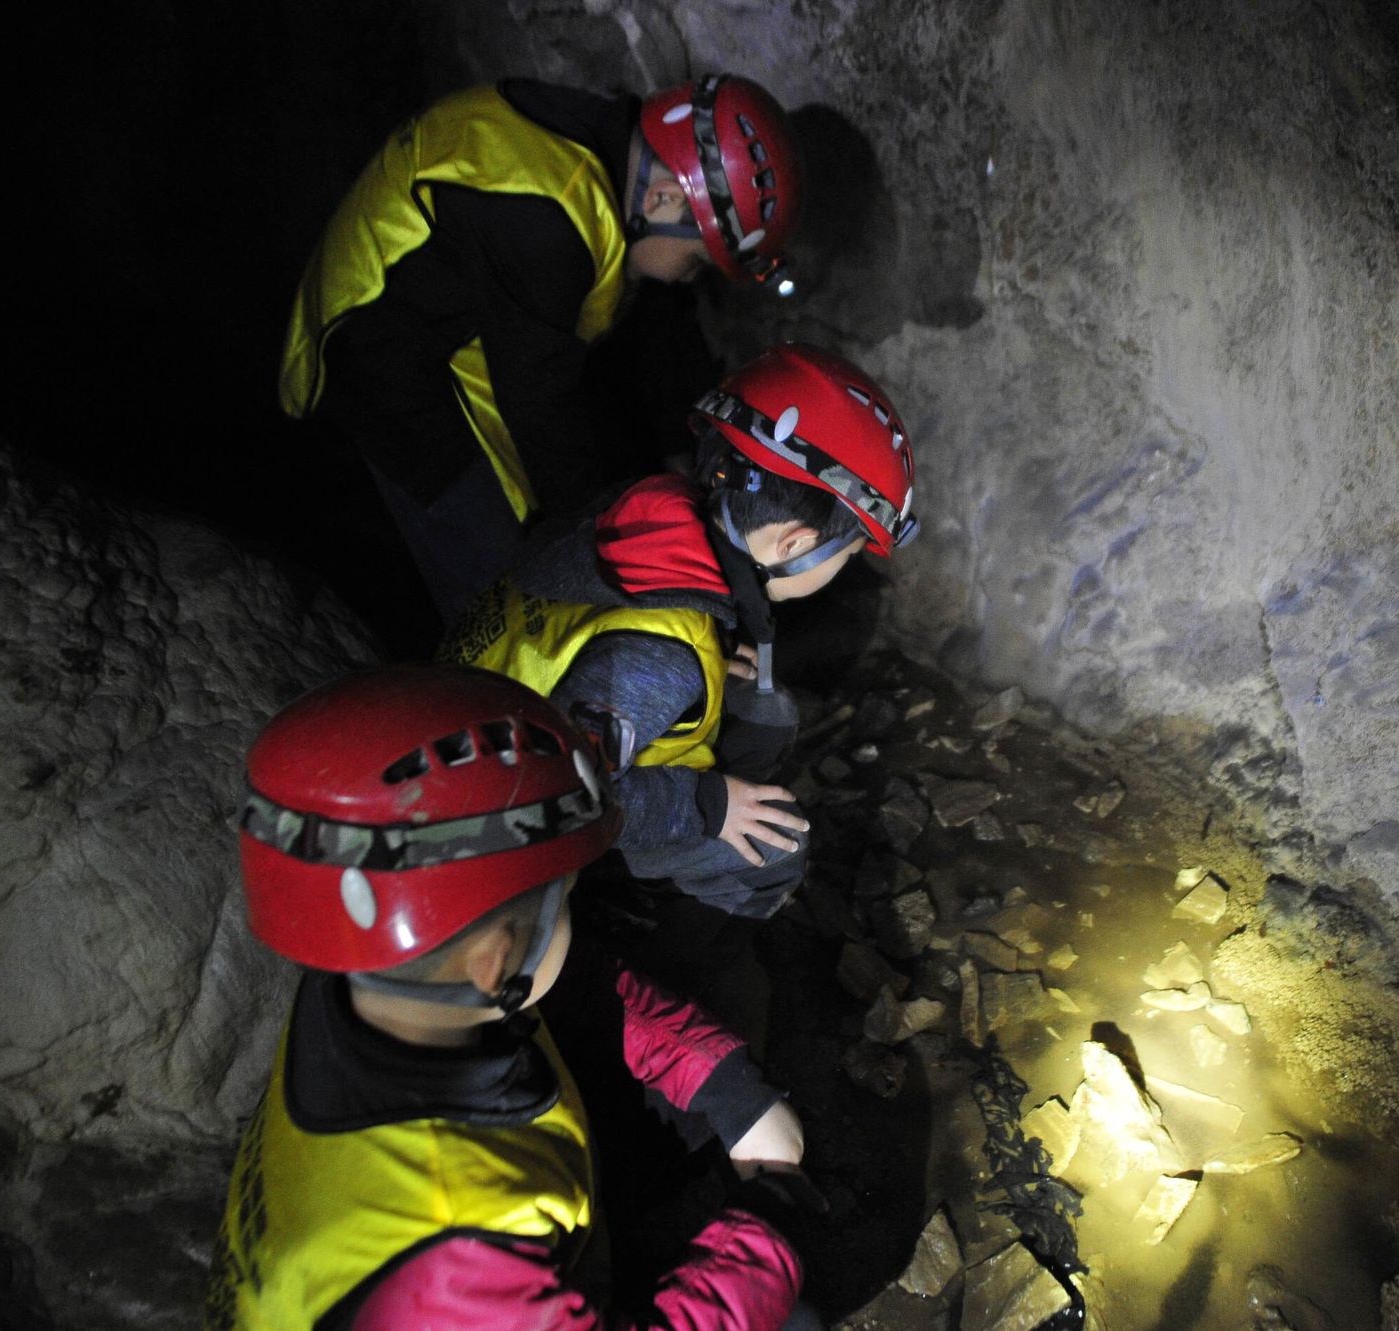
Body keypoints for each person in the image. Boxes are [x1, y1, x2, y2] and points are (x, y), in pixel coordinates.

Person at [205, 664, 821, 1330]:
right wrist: (769, 1229)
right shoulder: (451, 1251)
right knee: (798, 1316)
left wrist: (726, 1084)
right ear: (496, 962)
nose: (575, 910)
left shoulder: (363, 989)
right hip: (471, 1286)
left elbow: (580, 982)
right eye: (566, 896)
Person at [439, 343, 918, 1017]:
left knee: (763, 710)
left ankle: (643, 898)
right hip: (496, 829)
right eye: (846, 553)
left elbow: (609, 631)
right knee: (778, 850)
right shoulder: (662, 661)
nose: (844, 570)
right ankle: (644, 984)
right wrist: (709, 806)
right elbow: (568, 796)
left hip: (493, 719)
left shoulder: (650, 512)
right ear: (794, 544)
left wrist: (703, 665)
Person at [278, 74, 804, 622]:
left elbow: (655, 321)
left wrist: (683, 453)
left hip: (463, 325)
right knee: (507, 590)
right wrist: (607, 569)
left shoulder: (614, 153)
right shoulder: (545, 221)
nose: (687, 278)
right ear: (664, 197)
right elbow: (542, 411)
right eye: (696, 261)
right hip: (380, 358)